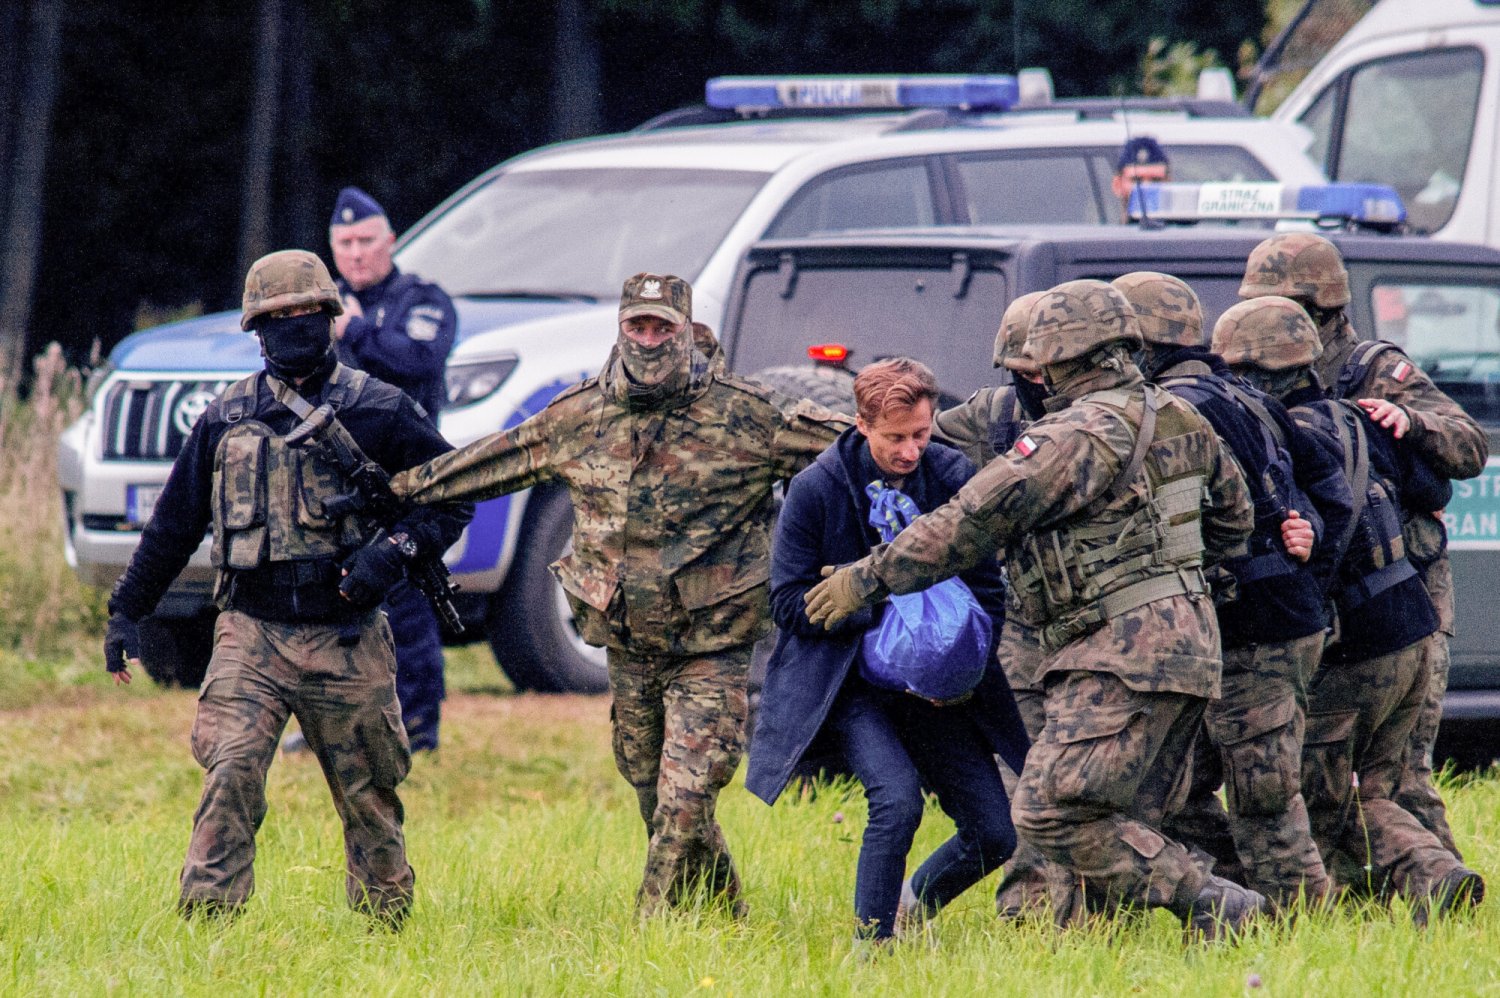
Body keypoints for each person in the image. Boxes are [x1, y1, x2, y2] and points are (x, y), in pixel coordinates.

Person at [805, 280, 1261, 938]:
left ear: (1076, 356)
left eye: (1043, 363)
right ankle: (1105, 941)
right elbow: (1234, 522)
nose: (1037, 377)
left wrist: (869, 578)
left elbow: (972, 520)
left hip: (1117, 650)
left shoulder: (1078, 432)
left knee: (1049, 812)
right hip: (1191, 645)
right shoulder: (1179, 416)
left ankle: (1216, 902)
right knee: (1119, 812)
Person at [388, 272, 850, 917]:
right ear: (622, 328)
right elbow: (488, 463)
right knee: (650, 788)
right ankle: (729, 917)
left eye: (664, 327)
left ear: (687, 330)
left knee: (686, 793)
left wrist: (951, 471)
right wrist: (395, 489)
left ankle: (648, 927)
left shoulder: (747, 413)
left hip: (714, 643)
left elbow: (859, 451)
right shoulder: (580, 415)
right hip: (629, 640)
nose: (650, 339)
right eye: (639, 325)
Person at [101, 250, 473, 925]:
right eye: (279, 317)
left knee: (370, 794)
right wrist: (126, 612)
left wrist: (387, 558)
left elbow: (450, 500)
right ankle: (209, 929)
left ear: (331, 318)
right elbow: (175, 523)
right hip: (252, 633)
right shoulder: (226, 415)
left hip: (349, 635)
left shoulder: (381, 411)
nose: (296, 326)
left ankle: (387, 928)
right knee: (231, 773)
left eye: (309, 313)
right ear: (257, 329)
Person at [1213, 295, 1484, 922]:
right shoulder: (1359, 416)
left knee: (1319, 791)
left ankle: (1430, 873)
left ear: (1254, 375)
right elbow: (1434, 489)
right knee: (1380, 779)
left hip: (1358, 640)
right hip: (1412, 628)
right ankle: (1423, 883)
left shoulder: (1284, 436)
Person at [747, 358, 1028, 946]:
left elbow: (988, 591)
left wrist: (957, 658)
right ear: (861, 425)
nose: (909, 451)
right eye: (894, 438)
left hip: (941, 685)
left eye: (920, 435)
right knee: (897, 803)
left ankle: (908, 906)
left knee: (995, 832)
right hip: (851, 682)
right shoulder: (817, 489)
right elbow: (786, 602)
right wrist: (881, 616)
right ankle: (871, 951)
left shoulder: (951, 474)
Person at [1114, 271, 1353, 910]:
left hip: (1255, 625)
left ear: (1138, 345)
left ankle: (1302, 927)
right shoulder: (1242, 395)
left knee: (1263, 795)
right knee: (1176, 788)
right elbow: (1329, 486)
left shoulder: (1174, 409)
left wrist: (1296, 553)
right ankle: (1239, 901)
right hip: (1255, 621)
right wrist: (1309, 549)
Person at [315, 185, 458, 753]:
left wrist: (353, 332)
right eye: (344, 242)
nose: (355, 253)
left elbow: (417, 358)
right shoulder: (322, 305)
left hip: (408, 475)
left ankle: (419, 726)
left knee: (407, 599)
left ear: (390, 240)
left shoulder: (422, 299)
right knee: (334, 599)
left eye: (365, 240)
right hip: (339, 473)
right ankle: (336, 724)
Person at [932, 290, 1059, 918]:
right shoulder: (993, 416)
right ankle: (1031, 916)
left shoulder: (1120, 416)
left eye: (1043, 370)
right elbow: (910, 436)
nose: (1034, 383)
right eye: (1022, 372)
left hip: (1108, 626)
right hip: (1025, 624)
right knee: (1021, 775)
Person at [1112, 136, 1170, 221]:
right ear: (1117, 185)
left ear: (1168, 183)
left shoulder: (1187, 233)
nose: (1146, 187)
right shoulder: (1096, 233)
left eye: (1155, 180)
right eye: (1137, 180)